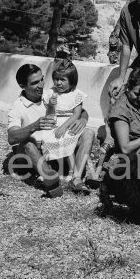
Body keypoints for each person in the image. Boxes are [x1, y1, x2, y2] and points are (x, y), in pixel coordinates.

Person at [7, 63, 95, 197]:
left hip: (56, 149)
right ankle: (49, 177)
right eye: (35, 82)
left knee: (88, 133)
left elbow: (77, 110)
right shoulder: (17, 107)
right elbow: (12, 137)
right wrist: (34, 126)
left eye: (42, 79)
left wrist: (83, 118)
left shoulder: (49, 95)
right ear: (22, 85)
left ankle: (75, 178)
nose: (41, 85)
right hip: (34, 155)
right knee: (28, 143)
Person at [39, 59, 88, 190]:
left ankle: (72, 172)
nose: (58, 82)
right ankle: (54, 170)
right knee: (48, 138)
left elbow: (77, 114)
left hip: (69, 123)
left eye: (62, 80)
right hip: (54, 122)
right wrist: (51, 105)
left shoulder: (76, 95)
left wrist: (64, 126)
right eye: (56, 79)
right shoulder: (50, 93)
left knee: (68, 139)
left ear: (72, 81)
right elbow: (48, 114)